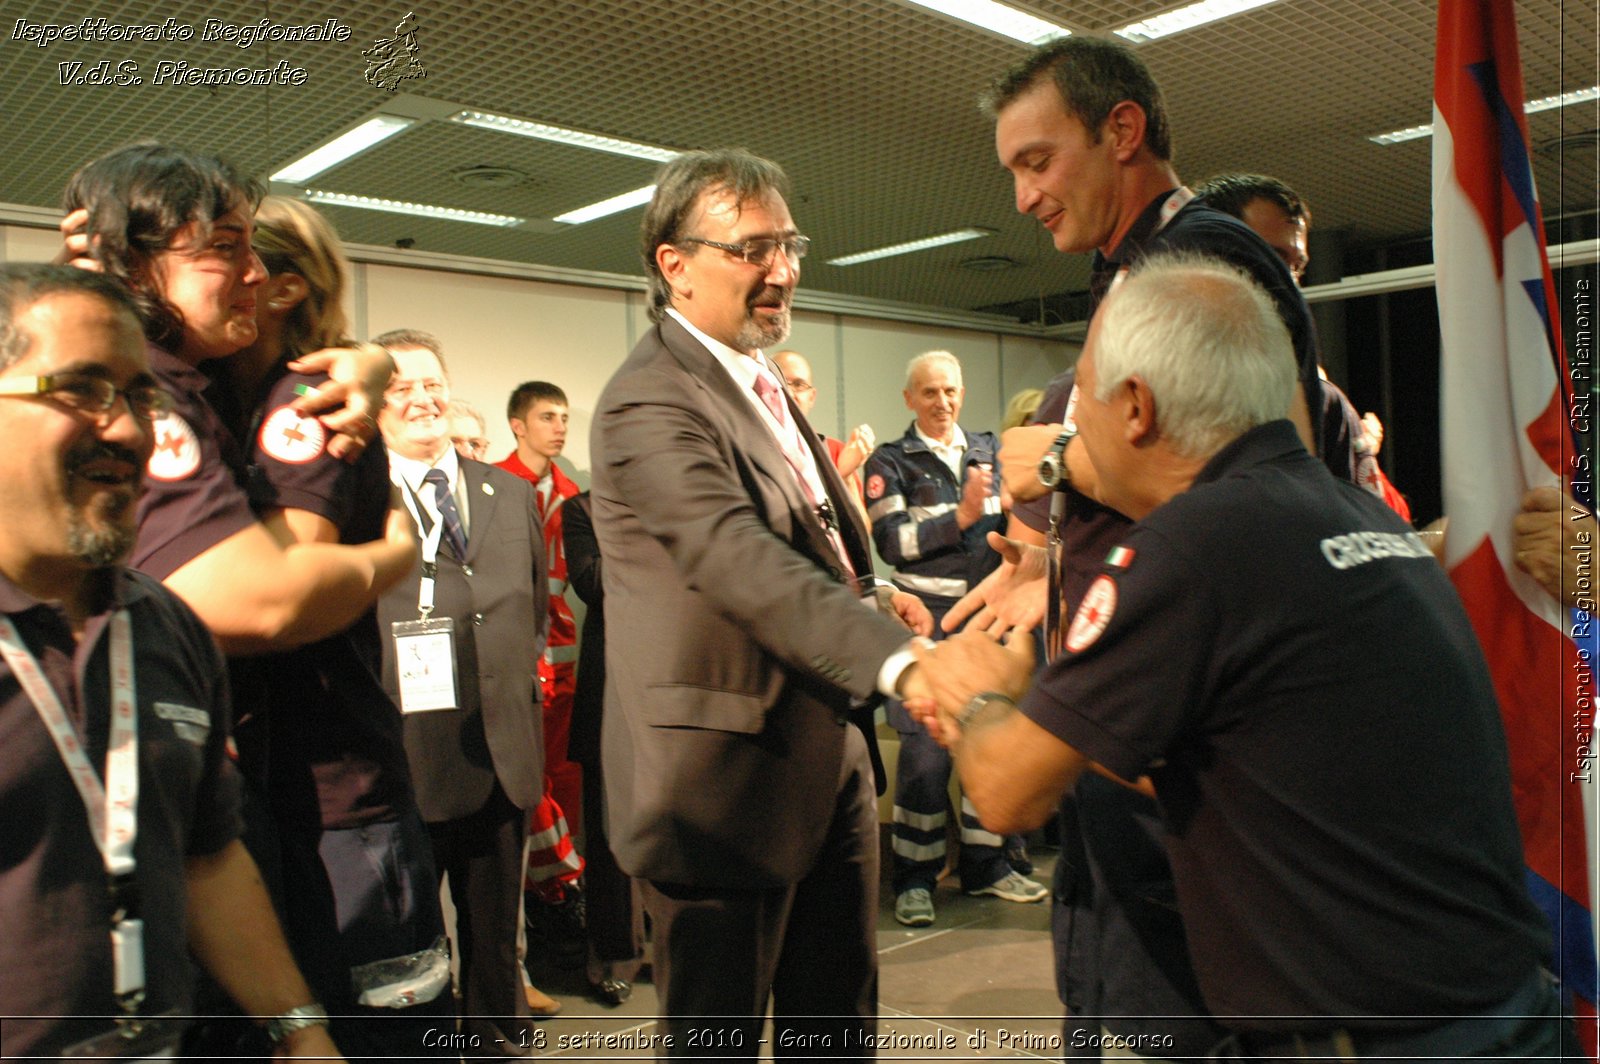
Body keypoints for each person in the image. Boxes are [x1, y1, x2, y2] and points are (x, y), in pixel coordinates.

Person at [913, 253, 1564, 1059]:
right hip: (1503, 1010)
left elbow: (1007, 793)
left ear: (1137, 408)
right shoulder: (1361, 517)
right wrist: (1058, 710)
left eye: (1081, 412)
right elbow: (1256, 763)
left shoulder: (1191, 547)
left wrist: (981, 700)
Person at [60, 142, 424, 1057]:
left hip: (238, 801)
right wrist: (393, 553)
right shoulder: (155, 392)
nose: (257, 273)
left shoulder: (253, 389)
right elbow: (263, 600)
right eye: (226, 247)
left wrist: (368, 366)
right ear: (130, 262)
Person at [590, 147, 932, 1055]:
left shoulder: (759, 376)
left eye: (789, 245)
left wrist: (873, 593)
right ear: (675, 264)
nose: (781, 270)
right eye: (753, 249)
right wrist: (894, 662)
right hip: (721, 796)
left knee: (837, 1027)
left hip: (828, 764)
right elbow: (732, 554)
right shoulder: (647, 402)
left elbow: (804, 536)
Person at [0, 264, 343, 1060]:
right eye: (83, 389)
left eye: (139, 395)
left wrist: (300, 1030)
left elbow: (205, 854)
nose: (126, 429)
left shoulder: (165, 629)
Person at [219, 197, 456, 1056]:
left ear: (277, 288)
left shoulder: (312, 406)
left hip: (337, 803)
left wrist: (388, 559)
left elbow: (276, 602)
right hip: (262, 796)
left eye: (226, 255)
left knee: (380, 1034)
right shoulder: (223, 397)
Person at [373, 328, 559, 1042]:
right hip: (406, 758)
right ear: (374, 407)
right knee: (410, 962)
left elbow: (533, 614)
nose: (421, 398)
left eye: (430, 382)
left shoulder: (509, 494)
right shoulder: (354, 499)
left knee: (495, 952)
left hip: (502, 757)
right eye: (400, 387)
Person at [864, 349, 1044, 928]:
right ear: (908, 399)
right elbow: (892, 543)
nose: (942, 403)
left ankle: (988, 867)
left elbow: (1016, 520)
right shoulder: (890, 462)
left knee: (990, 740)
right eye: (930, 392)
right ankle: (915, 879)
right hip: (926, 623)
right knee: (923, 755)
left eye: (951, 391)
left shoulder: (988, 449)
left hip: (988, 619)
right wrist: (961, 517)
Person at [1192, 172, 1409, 518]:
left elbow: (1370, 530)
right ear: (1209, 254)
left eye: (1296, 267)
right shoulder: (1120, 381)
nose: (1288, 283)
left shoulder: (1321, 403)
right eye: (1273, 259)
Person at [563, 489, 647, 1006]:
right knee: (609, 820)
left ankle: (659, 941)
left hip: (669, 678)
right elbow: (592, 581)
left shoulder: (674, 497)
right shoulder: (585, 510)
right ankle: (613, 948)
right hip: (610, 681)